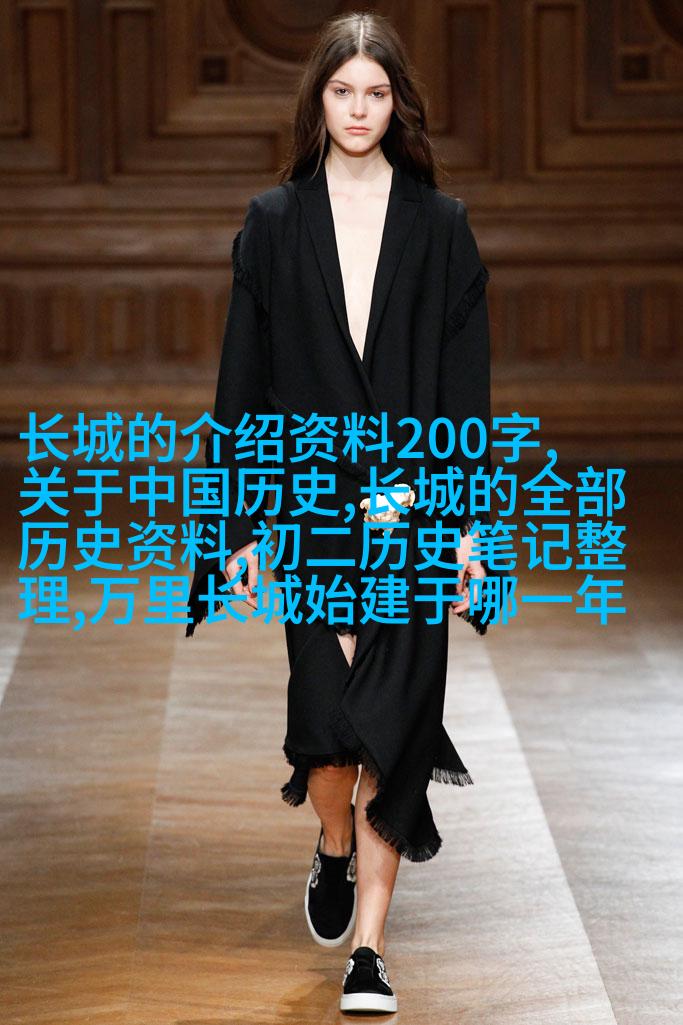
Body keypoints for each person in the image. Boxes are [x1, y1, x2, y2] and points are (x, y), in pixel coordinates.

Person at [186, 10, 508, 1016]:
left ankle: (366, 951)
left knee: (396, 737)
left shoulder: (440, 226)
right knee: (326, 734)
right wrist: (235, 528)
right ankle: (330, 840)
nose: (359, 109)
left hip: (413, 514)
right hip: (314, 513)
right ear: (316, 100)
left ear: (396, 103)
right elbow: (240, 388)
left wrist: (468, 526)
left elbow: (465, 395)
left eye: (375, 92)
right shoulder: (274, 222)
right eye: (341, 91)